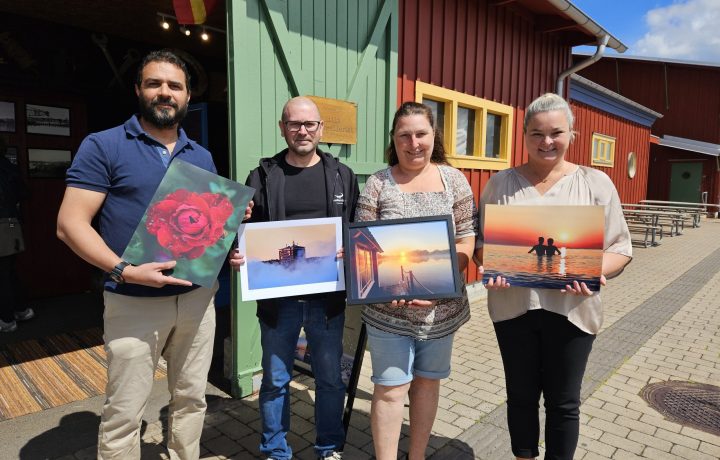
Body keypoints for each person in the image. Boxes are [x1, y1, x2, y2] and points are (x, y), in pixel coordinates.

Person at [57, 50, 249, 459]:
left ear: (187, 95)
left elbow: (204, 227)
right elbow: (70, 224)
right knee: (125, 411)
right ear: (138, 90)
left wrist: (228, 233)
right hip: (134, 301)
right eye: (154, 83)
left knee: (192, 399)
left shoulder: (201, 155)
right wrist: (125, 270)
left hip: (197, 299)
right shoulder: (104, 145)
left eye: (174, 86)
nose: (165, 92)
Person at [475, 93, 632, 460]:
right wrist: (494, 264)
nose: (546, 142)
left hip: (573, 310)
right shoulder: (501, 184)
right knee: (520, 396)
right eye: (536, 134)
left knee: (564, 402)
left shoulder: (596, 183)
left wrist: (593, 270)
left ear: (571, 134)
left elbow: (620, 248)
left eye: (556, 132)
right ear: (524, 135)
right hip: (514, 307)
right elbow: (484, 240)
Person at [231, 96, 359, 460]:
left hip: (327, 302)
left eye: (309, 124)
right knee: (274, 381)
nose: (302, 131)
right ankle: (275, 450)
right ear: (282, 128)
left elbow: (356, 231)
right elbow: (242, 228)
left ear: (320, 128)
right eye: (294, 124)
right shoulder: (261, 176)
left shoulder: (342, 176)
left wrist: (349, 251)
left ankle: (329, 447)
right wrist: (237, 251)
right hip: (277, 302)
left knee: (331, 380)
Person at [354, 101, 477, 460]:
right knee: (390, 389)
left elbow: (467, 237)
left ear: (433, 135)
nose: (414, 143)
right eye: (404, 135)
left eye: (421, 134)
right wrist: (381, 283)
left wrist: (440, 287)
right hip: (387, 312)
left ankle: (418, 455)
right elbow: (363, 244)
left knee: (426, 383)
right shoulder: (379, 183)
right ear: (393, 139)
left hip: (440, 311)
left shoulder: (453, 179)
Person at [0, 141, 35, 333]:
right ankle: (22, 310)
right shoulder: (10, 167)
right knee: (9, 272)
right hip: (12, 224)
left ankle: (7, 319)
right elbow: (24, 193)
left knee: (3, 275)